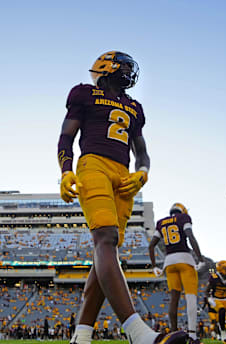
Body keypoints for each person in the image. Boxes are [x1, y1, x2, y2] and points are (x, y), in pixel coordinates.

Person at [57, 50, 188, 344]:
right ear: (108, 67)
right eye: (125, 66)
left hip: (124, 175)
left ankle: (81, 336)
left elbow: (142, 151)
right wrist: (66, 171)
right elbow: (66, 136)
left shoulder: (134, 107)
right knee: (105, 239)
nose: (130, 72)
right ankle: (138, 333)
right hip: (93, 164)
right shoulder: (84, 93)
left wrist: (143, 173)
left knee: (107, 251)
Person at [149, 203, 205, 344]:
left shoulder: (161, 222)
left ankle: (174, 333)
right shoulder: (183, 218)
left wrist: (155, 265)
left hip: (169, 262)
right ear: (182, 211)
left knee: (174, 299)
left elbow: (151, 245)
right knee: (190, 297)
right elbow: (190, 236)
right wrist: (200, 258)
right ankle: (192, 335)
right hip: (184, 258)